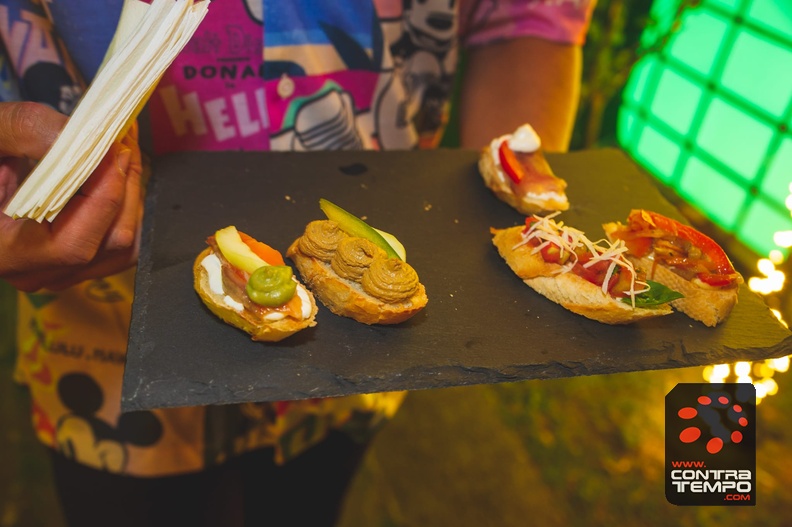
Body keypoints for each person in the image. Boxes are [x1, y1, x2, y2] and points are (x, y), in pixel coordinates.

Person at [0, 0, 595, 525]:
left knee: (307, 501)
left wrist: (520, 184)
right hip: (107, 340)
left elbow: (527, 18)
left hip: (352, 372)